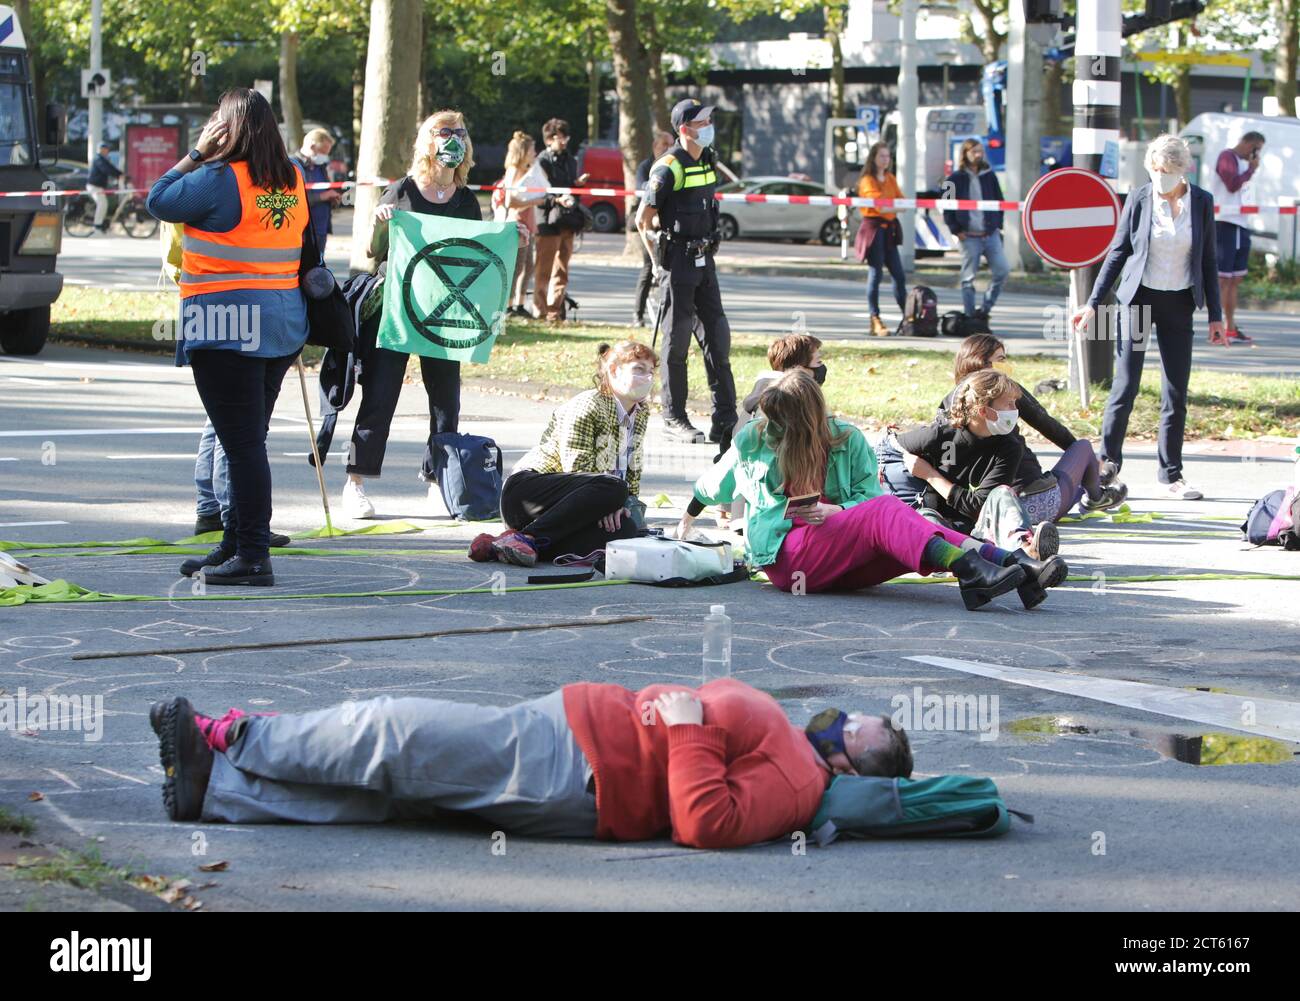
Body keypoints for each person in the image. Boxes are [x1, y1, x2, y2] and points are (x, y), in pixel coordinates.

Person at [148, 680, 913, 849]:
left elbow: (705, 823)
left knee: (396, 735)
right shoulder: (796, 751)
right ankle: (217, 794)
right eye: (855, 711)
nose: (840, 718)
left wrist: (687, 733)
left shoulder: (801, 781)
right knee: (399, 795)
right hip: (575, 737)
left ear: (852, 771)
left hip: (579, 768)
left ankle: (230, 740)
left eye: (854, 728)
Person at [677, 370, 1068, 611]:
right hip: (788, 559)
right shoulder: (756, 439)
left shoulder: (846, 438)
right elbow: (716, 481)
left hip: (837, 552)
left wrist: (838, 511)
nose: (774, 424)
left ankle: (1015, 567)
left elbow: (868, 493)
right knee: (889, 514)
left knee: (908, 523)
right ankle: (973, 569)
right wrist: (688, 517)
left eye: (782, 418)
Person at [146, 88, 310, 586]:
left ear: (227, 128)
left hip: (227, 327)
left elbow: (157, 200)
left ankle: (254, 556)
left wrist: (195, 151)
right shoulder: (292, 177)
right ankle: (235, 543)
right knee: (248, 440)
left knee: (240, 445)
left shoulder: (217, 178)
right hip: (282, 324)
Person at [341, 109, 482, 521]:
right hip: (397, 308)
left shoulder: (466, 200)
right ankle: (356, 481)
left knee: (445, 400)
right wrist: (381, 223)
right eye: (444, 132)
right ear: (427, 140)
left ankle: (437, 481)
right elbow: (372, 250)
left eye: (459, 131)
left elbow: (474, 254)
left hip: (443, 310)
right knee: (381, 393)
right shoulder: (401, 190)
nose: (452, 138)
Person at [1071, 134, 1225, 502]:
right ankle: (1107, 465)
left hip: (1179, 303)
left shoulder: (1201, 202)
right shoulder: (1139, 199)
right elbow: (1118, 251)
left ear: (1183, 170)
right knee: (1126, 386)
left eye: (1168, 171)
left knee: (1176, 390)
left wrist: (1217, 317)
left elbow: (1208, 260)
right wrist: (1093, 302)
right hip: (1138, 300)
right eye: (1155, 170)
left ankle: (1171, 473)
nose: (1161, 178)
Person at [473, 341, 657, 567]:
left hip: (579, 505)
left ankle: (500, 546)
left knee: (627, 531)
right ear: (614, 370)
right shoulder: (588, 405)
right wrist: (613, 501)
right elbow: (577, 469)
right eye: (639, 369)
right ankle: (526, 537)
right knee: (615, 487)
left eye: (651, 372)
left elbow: (632, 469)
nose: (647, 378)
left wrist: (626, 507)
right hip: (528, 492)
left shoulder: (641, 413)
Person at [936, 334, 1129, 526]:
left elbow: (944, 454)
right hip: (1035, 500)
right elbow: (1045, 423)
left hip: (991, 508)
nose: (1007, 366)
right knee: (1083, 447)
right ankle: (1095, 496)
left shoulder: (950, 404)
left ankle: (1094, 478)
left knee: (1075, 479)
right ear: (981, 361)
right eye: (1001, 359)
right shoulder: (1003, 390)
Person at [636, 98, 737, 447]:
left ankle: (725, 418)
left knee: (718, 340)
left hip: (705, 260)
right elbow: (641, 219)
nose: (710, 124)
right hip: (678, 263)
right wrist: (658, 263)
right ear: (685, 129)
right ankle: (674, 417)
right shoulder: (668, 168)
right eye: (703, 121)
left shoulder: (709, 160)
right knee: (676, 343)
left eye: (710, 118)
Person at [893, 370, 1057, 559]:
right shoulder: (941, 434)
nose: (1015, 411)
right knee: (927, 519)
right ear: (983, 411)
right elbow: (890, 446)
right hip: (932, 520)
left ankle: (1026, 548)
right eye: (1009, 404)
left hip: (971, 525)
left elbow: (978, 506)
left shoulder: (1009, 447)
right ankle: (982, 555)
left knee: (1003, 493)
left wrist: (930, 475)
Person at [942, 139, 1010, 326]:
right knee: (968, 278)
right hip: (969, 236)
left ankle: (985, 310)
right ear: (966, 153)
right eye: (974, 152)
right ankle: (970, 316)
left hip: (990, 234)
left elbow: (999, 202)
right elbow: (946, 206)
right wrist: (956, 230)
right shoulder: (954, 179)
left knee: (1002, 270)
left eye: (981, 151)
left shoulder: (990, 176)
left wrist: (997, 224)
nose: (979, 155)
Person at [1210, 130, 1265, 344]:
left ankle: (1230, 326)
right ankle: (1219, 325)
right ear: (1247, 143)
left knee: (1235, 278)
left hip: (1241, 222)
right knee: (1223, 278)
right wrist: (1251, 170)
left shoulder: (1243, 164)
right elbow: (1231, 184)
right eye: (1255, 149)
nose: (1256, 154)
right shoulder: (1227, 157)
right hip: (1226, 221)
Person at [533, 118, 588, 323]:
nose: (563, 141)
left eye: (565, 136)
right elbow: (537, 191)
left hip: (567, 220)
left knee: (562, 270)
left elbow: (570, 188)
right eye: (558, 137)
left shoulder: (571, 160)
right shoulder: (541, 161)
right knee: (544, 269)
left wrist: (577, 184)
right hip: (547, 220)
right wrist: (556, 199)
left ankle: (554, 312)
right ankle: (539, 311)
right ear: (549, 139)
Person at [857, 141, 907, 337]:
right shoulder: (867, 180)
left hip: (889, 231)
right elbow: (880, 207)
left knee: (899, 275)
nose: (885, 160)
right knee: (875, 275)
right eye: (882, 156)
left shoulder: (890, 178)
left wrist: (892, 206)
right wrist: (893, 206)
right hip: (874, 230)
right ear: (874, 158)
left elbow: (902, 202)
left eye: (888, 156)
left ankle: (908, 316)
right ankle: (874, 318)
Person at [632, 129, 674, 327]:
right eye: (663, 145)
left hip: (666, 224)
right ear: (655, 147)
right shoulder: (646, 166)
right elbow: (645, 190)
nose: (667, 149)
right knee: (649, 266)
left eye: (670, 144)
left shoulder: (673, 165)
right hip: (647, 223)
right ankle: (637, 314)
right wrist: (654, 216)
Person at [495, 129, 539, 318]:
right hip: (517, 223)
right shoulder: (514, 171)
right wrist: (535, 200)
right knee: (516, 266)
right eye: (532, 150)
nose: (535, 153)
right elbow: (510, 200)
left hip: (528, 222)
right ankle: (508, 305)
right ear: (524, 151)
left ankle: (519, 304)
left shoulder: (527, 171)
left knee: (528, 266)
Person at [290, 127, 341, 254]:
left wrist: (333, 198)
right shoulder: (293, 165)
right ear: (312, 146)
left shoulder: (321, 166)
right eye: (323, 152)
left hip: (321, 229)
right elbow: (292, 198)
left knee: (318, 268)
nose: (325, 156)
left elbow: (325, 189)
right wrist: (322, 196)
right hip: (302, 231)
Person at [86, 141, 123, 234]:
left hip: (99, 187)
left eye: (107, 149)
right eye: (105, 149)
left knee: (104, 204)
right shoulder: (98, 159)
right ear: (101, 150)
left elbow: (111, 168)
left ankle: (101, 223)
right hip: (94, 186)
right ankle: (97, 225)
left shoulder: (104, 159)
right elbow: (106, 169)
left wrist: (120, 174)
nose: (106, 150)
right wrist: (118, 175)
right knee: (102, 204)